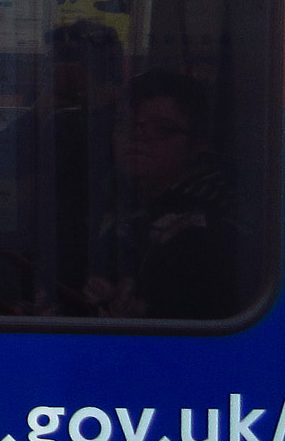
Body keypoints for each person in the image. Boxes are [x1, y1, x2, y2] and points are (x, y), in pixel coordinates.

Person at [82, 70, 240, 319]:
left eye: (163, 128)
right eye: (124, 122)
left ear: (198, 145)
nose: (136, 135)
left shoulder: (207, 225)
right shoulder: (103, 196)